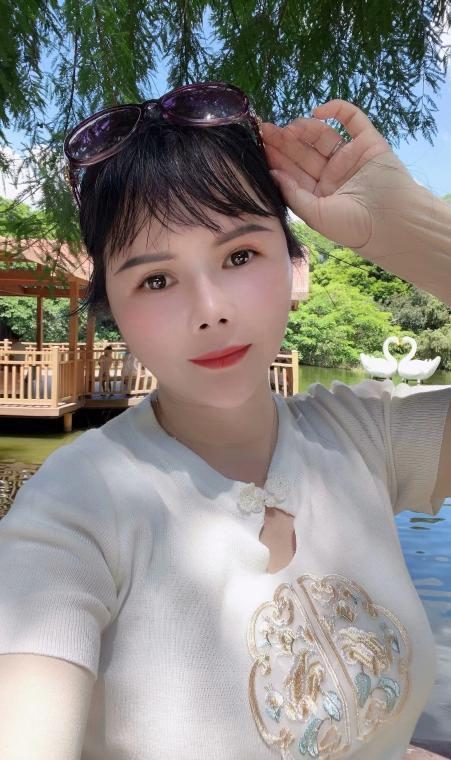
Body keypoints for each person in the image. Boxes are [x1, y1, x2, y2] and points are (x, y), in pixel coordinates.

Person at [0, 83, 449, 760]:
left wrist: (409, 227)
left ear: (292, 264)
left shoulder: (363, 436)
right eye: (156, 279)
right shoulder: (74, 509)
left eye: (239, 256)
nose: (210, 310)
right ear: (113, 308)